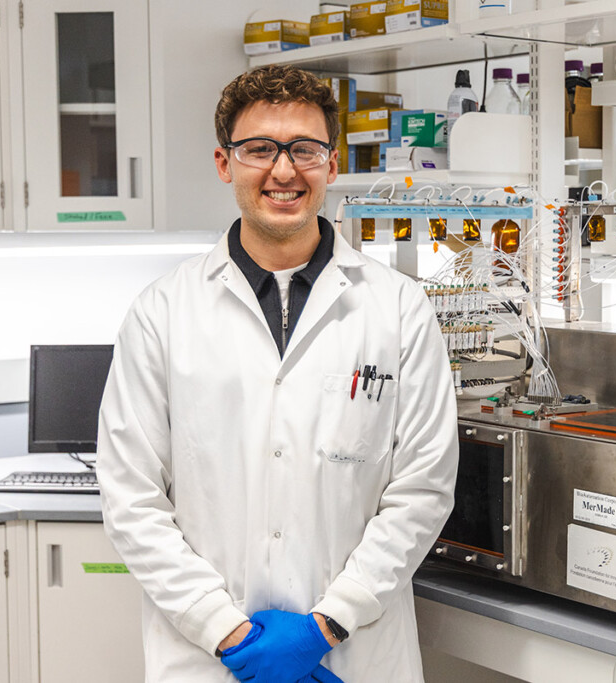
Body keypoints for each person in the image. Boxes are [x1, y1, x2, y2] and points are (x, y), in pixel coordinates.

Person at [97, 64, 459, 683]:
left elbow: (422, 490)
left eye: (305, 150)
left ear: (332, 163)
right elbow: (131, 498)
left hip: (351, 655)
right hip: (210, 658)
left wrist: (329, 623)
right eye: (260, 149)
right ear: (224, 163)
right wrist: (227, 633)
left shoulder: (398, 309)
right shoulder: (163, 311)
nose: (284, 171)